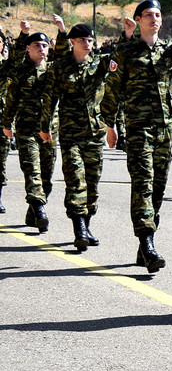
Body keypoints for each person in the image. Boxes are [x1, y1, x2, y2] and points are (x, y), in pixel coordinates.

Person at [101, 0, 172, 272]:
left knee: (158, 187)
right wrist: (110, 125)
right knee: (142, 183)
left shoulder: (170, 52)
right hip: (139, 130)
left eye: (158, 14)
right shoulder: (126, 53)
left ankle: (146, 243)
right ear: (138, 19)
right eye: (148, 14)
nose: (155, 18)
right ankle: (147, 243)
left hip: (166, 132)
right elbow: (112, 89)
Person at [42, 22, 126, 250]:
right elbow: (49, 99)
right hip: (70, 133)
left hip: (95, 134)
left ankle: (87, 226)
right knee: (75, 179)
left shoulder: (99, 64)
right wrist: (45, 126)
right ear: (72, 42)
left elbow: (121, 56)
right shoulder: (59, 68)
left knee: (92, 182)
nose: (87, 44)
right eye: (82, 41)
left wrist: (127, 34)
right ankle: (78, 228)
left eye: (90, 40)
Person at [1, 21, 67, 234]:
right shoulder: (19, 73)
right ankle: (39, 210)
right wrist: (6, 124)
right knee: (32, 171)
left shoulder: (53, 70)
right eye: (37, 45)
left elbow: (67, 58)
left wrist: (62, 31)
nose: (41, 49)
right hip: (26, 130)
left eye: (44, 45)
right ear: (28, 49)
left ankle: (33, 210)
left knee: (47, 176)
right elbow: (10, 101)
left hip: (49, 131)